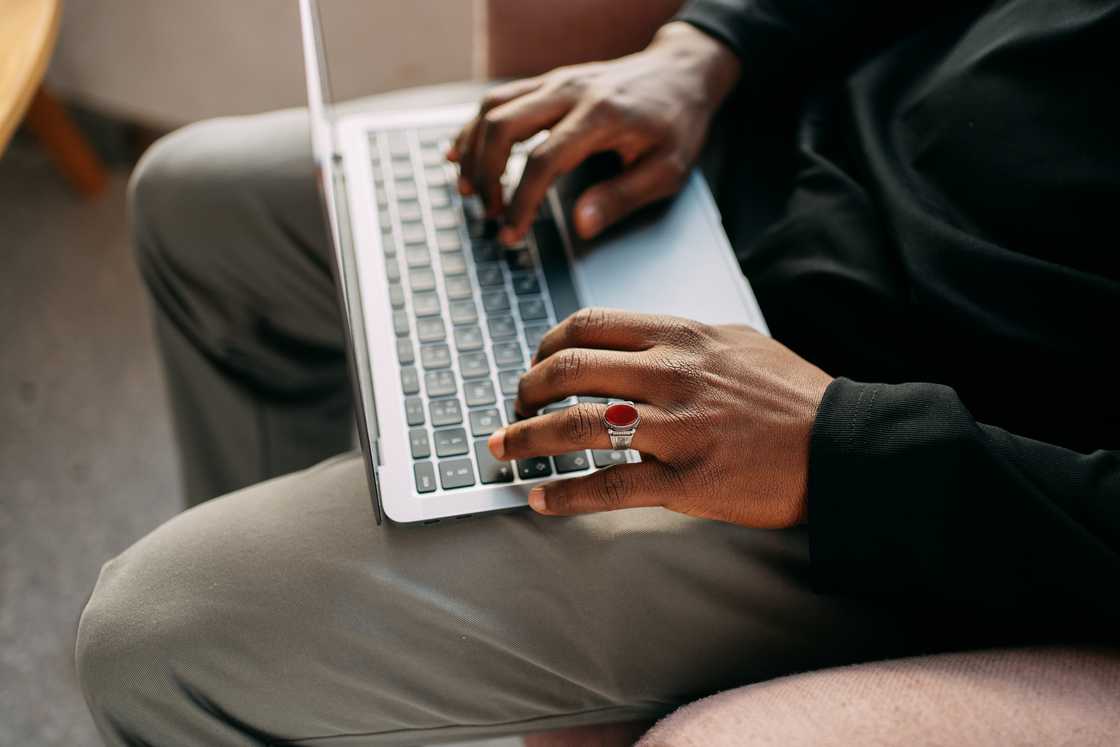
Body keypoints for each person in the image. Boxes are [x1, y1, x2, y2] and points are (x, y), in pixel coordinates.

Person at [76, 1, 1119, 744]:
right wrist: (704, 47)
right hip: (723, 179)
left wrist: (836, 444)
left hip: (883, 468)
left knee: (155, 633)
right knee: (196, 197)